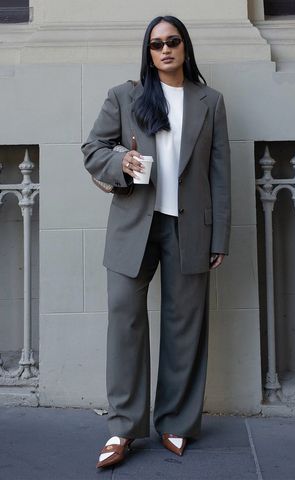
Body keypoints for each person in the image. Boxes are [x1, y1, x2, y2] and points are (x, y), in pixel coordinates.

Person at [82, 15, 231, 469]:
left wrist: (219, 234)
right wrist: (119, 161)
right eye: (156, 44)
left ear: (185, 47)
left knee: (185, 326)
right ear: (147, 53)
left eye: (173, 41)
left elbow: (220, 173)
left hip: (189, 227)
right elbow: (92, 149)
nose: (165, 49)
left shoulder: (210, 101)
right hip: (134, 225)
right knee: (124, 324)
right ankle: (123, 428)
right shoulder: (125, 95)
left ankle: (175, 421)